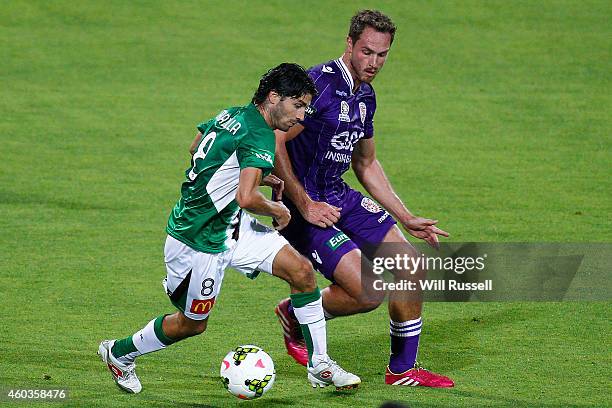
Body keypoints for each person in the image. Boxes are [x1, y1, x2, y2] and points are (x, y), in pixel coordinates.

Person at [98, 63, 360, 394]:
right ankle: (119, 353)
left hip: (230, 226)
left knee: (302, 272)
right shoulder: (260, 135)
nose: (302, 115)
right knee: (192, 325)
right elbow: (248, 197)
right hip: (197, 243)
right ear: (274, 97)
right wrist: (277, 209)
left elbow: (196, 147)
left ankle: (319, 363)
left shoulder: (231, 115)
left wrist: (254, 174)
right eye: (298, 105)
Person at [273, 11, 454, 387]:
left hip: (339, 195)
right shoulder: (318, 87)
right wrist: (303, 203)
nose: (374, 63)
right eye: (367, 52)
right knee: (369, 291)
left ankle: (402, 370)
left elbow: (366, 162)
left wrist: (405, 216)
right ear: (350, 44)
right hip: (304, 206)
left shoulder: (365, 96)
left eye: (382, 55)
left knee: (410, 267)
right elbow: (275, 140)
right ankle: (297, 311)